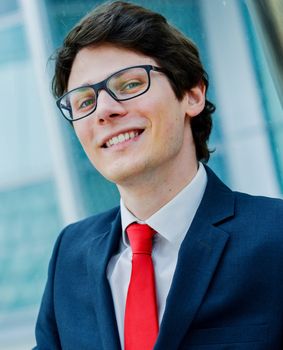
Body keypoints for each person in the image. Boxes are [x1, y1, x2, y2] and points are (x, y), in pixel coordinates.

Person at [33, 1, 283, 349]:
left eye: (130, 83)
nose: (103, 110)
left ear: (192, 94)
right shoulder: (69, 256)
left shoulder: (276, 236)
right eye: (84, 102)